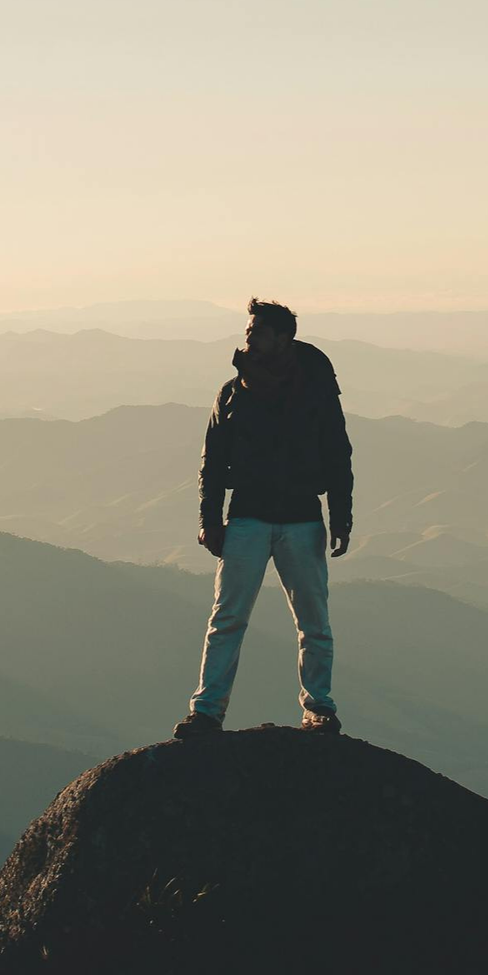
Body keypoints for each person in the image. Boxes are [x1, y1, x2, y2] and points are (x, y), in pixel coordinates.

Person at [174, 298, 354, 737]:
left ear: (283, 338)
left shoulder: (315, 389)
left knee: (313, 624)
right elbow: (212, 461)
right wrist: (209, 520)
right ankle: (207, 712)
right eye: (249, 330)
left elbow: (337, 453)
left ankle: (319, 709)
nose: (248, 338)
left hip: (300, 518)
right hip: (249, 517)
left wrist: (341, 517)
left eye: (256, 331)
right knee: (228, 618)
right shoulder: (233, 392)